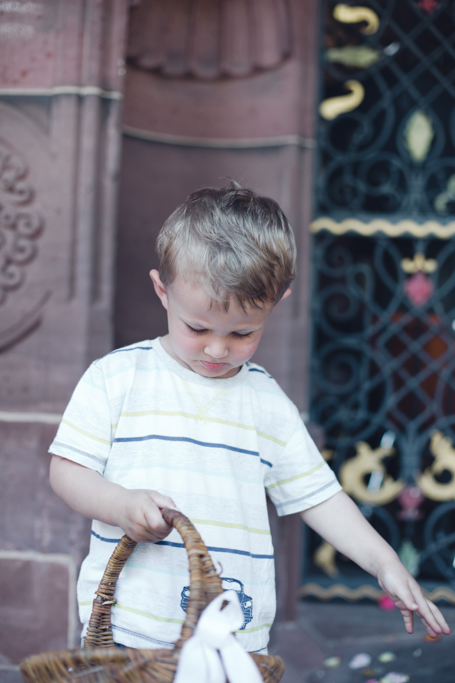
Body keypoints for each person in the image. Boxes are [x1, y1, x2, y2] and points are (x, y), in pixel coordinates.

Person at [49, 183, 450, 654]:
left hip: (231, 638)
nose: (218, 349)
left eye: (243, 333)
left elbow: (318, 498)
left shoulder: (265, 402)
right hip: (128, 630)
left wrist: (385, 563)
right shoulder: (117, 377)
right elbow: (66, 471)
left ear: (276, 305)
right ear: (163, 290)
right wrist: (119, 504)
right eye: (197, 328)